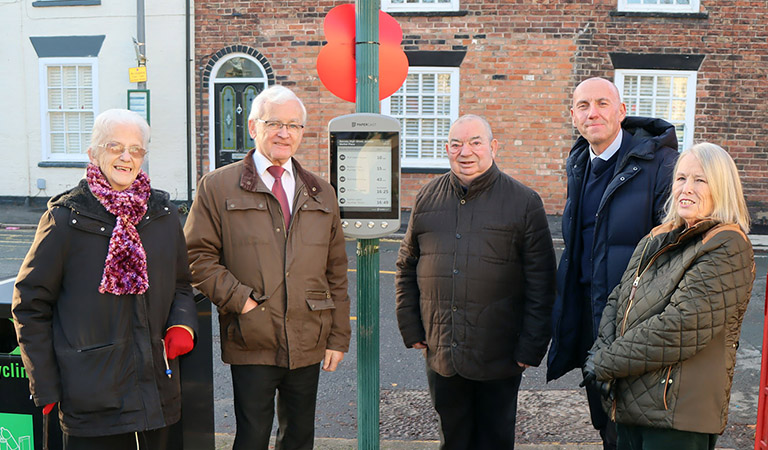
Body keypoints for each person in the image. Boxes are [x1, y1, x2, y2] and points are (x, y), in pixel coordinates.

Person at [12, 109, 198, 449]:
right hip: (91, 398)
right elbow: (30, 305)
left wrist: (182, 324)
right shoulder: (66, 218)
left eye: (136, 149)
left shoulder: (163, 214)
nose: (126, 157)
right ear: (94, 153)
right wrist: (46, 385)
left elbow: (182, 284)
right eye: (115, 146)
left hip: (156, 389)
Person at [184, 85, 351, 450]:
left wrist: (338, 336)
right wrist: (242, 301)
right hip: (252, 334)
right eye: (274, 123)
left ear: (302, 133)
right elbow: (196, 257)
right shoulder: (217, 186)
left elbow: (336, 271)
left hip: (308, 336)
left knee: (299, 437)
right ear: (253, 127)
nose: (284, 133)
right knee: (252, 437)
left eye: (293, 126)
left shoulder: (321, 192)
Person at [395, 114, 557, 450]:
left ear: (493, 147)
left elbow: (542, 282)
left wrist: (531, 345)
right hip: (443, 352)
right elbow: (406, 266)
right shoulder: (427, 198)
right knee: (452, 440)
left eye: (475, 142)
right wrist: (412, 327)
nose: (465, 151)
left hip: (499, 355)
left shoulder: (525, 203)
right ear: (447, 149)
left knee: (494, 441)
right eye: (456, 144)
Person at [583, 142, 755, 450]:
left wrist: (606, 362)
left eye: (700, 180)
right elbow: (618, 300)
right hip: (631, 406)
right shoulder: (657, 236)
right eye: (681, 178)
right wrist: (598, 351)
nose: (686, 188)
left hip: (677, 416)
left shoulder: (727, 246)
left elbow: (680, 327)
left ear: (722, 187)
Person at [546, 77, 679, 449]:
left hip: (632, 320)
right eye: (584, 106)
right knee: (605, 418)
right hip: (590, 314)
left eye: (603, 103)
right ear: (573, 116)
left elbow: (671, 249)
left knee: (630, 423)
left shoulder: (660, 164)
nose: (593, 113)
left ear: (621, 111)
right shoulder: (579, 163)